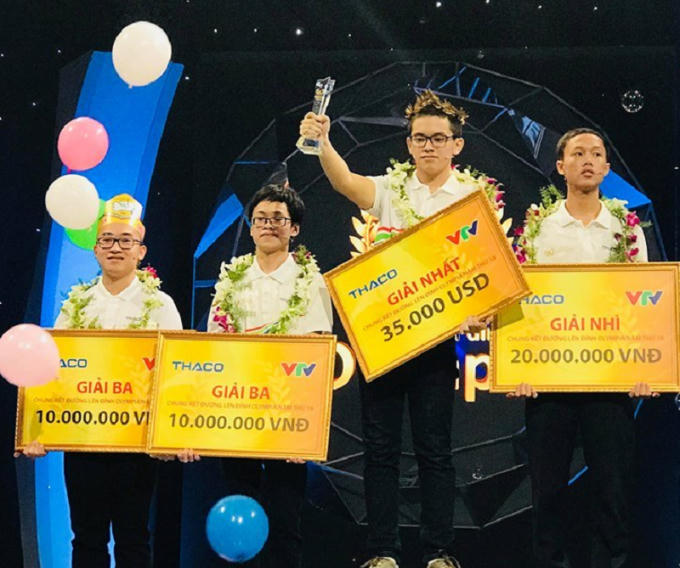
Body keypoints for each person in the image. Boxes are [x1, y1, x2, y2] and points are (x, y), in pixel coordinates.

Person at [299, 90, 491, 568]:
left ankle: (439, 551)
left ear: (457, 145)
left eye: (438, 138)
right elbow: (345, 182)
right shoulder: (390, 189)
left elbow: (487, 267)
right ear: (408, 144)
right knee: (380, 449)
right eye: (420, 138)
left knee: (435, 449)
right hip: (384, 338)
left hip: (439, 339)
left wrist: (477, 309)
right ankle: (382, 551)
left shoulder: (473, 197)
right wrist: (322, 143)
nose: (429, 146)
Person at [509, 128, 657, 568]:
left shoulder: (627, 230)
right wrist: (519, 368)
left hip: (609, 378)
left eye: (596, 154)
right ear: (561, 166)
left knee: (612, 489)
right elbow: (521, 302)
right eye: (577, 153)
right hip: (550, 379)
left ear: (607, 168)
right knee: (548, 491)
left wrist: (646, 368)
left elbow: (644, 301)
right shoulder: (539, 228)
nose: (587, 160)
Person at [18, 193, 182, 567]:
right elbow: (53, 372)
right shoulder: (75, 305)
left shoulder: (161, 306)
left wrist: (171, 436)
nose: (115, 248)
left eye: (125, 241)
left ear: (141, 251)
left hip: (136, 445)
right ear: (95, 250)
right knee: (86, 539)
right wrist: (37, 430)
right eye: (107, 240)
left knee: (133, 539)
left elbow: (175, 375)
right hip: (84, 441)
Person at [180, 184, 333, 568]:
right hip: (239, 414)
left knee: (285, 522)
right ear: (250, 228)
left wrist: (306, 434)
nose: (268, 225)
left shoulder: (310, 280)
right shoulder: (231, 279)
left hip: (287, 417)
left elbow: (317, 352)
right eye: (261, 219)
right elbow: (215, 350)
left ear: (294, 229)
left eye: (278, 219)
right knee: (238, 516)